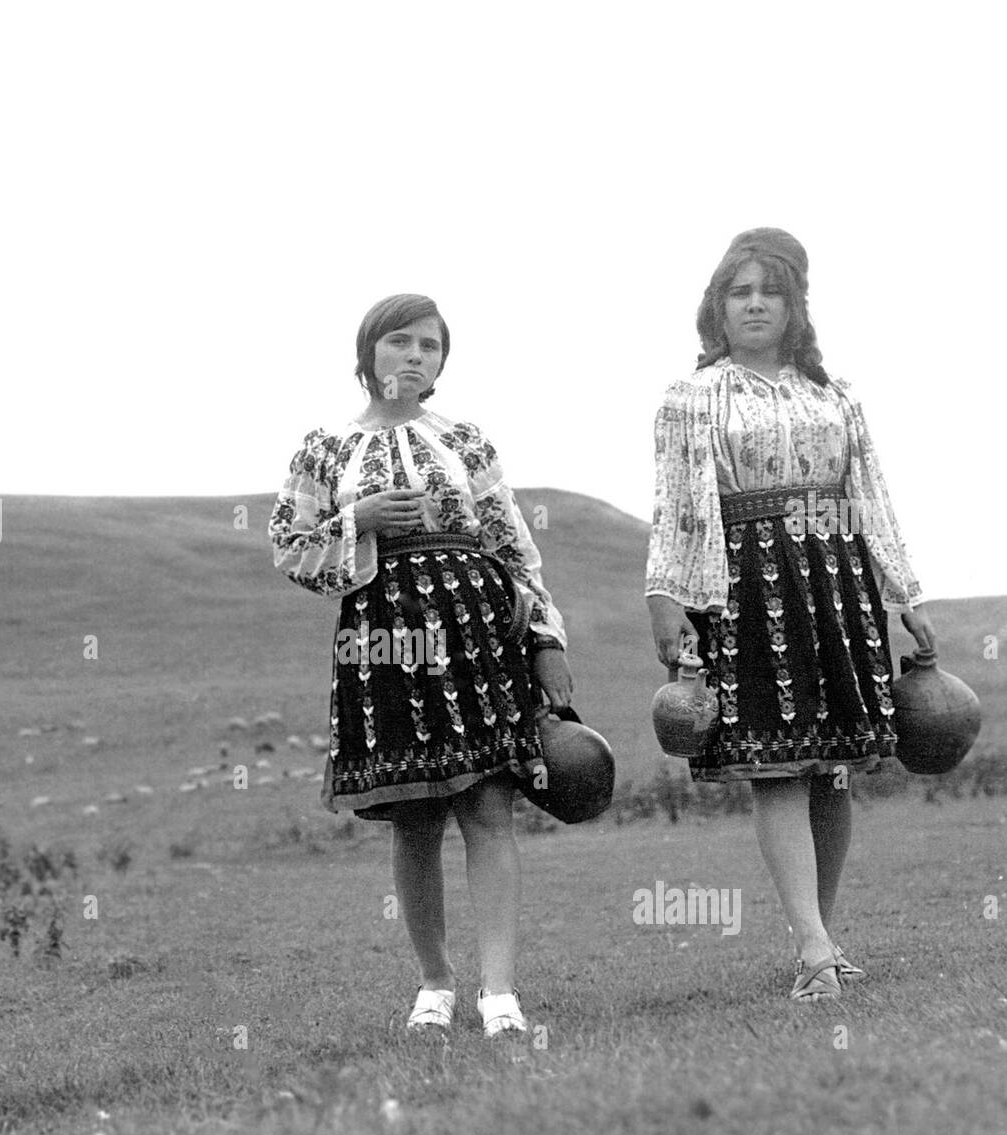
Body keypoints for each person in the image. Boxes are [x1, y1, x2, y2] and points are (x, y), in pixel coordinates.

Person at [269, 293, 573, 1036]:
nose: (414, 356)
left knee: (488, 804)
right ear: (368, 352)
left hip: (478, 627)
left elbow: (512, 545)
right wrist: (358, 522)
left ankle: (499, 992)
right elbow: (288, 547)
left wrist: (545, 639)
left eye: (429, 347)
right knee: (414, 816)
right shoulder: (324, 449)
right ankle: (434, 984)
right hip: (384, 638)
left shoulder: (466, 441)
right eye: (399, 342)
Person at [645, 229, 936, 1001]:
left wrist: (903, 596)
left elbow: (871, 494)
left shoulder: (834, 395)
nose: (754, 304)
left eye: (769, 291)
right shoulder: (692, 396)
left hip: (837, 577)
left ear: (795, 305)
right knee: (775, 763)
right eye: (739, 292)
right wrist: (666, 595)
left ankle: (821, 936)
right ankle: (812, 947)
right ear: (717, 305)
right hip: (744, 581)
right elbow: (676, 502)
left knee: (833, 767)